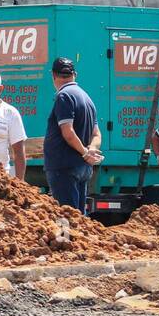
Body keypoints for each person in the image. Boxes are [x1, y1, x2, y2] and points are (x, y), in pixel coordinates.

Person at [42, 56, 102, 213]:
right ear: (74, 74)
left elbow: (68, 132)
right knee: (79, 216)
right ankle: (80, 237)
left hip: (64, 166)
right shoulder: (87, 98)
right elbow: (96, 134)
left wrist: (84, 153)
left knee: (67, 215)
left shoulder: (64, 96)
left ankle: (68, 238)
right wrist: (91, 151)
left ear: (53, 75)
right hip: (82, 167)